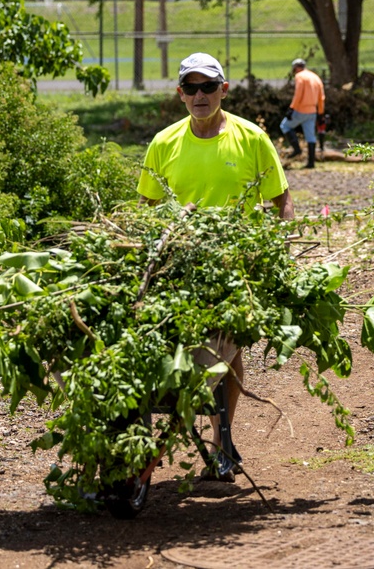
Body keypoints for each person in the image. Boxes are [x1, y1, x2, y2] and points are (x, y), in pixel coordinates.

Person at [137, 52, 295, 481]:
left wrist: (277, 253)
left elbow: (281, 200)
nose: (200, 95)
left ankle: (222, 439)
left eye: (208, 87)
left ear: (224, 90)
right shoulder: (164, 142)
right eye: (191, 87)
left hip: (234, 266)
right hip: (175, 264)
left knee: (228, 351)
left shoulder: (251, 138)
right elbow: (145, 207)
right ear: (180, 94)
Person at [280, 58, 326, 169]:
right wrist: (321, 112)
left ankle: (297, 149)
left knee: (285, 126)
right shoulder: (315, 77)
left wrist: (292, 108)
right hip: (312, 111)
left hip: (300, 110)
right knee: (310, 136)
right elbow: (322, 97)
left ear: (296, 68)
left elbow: (298, 94)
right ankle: (311, 163)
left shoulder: (300, 77)